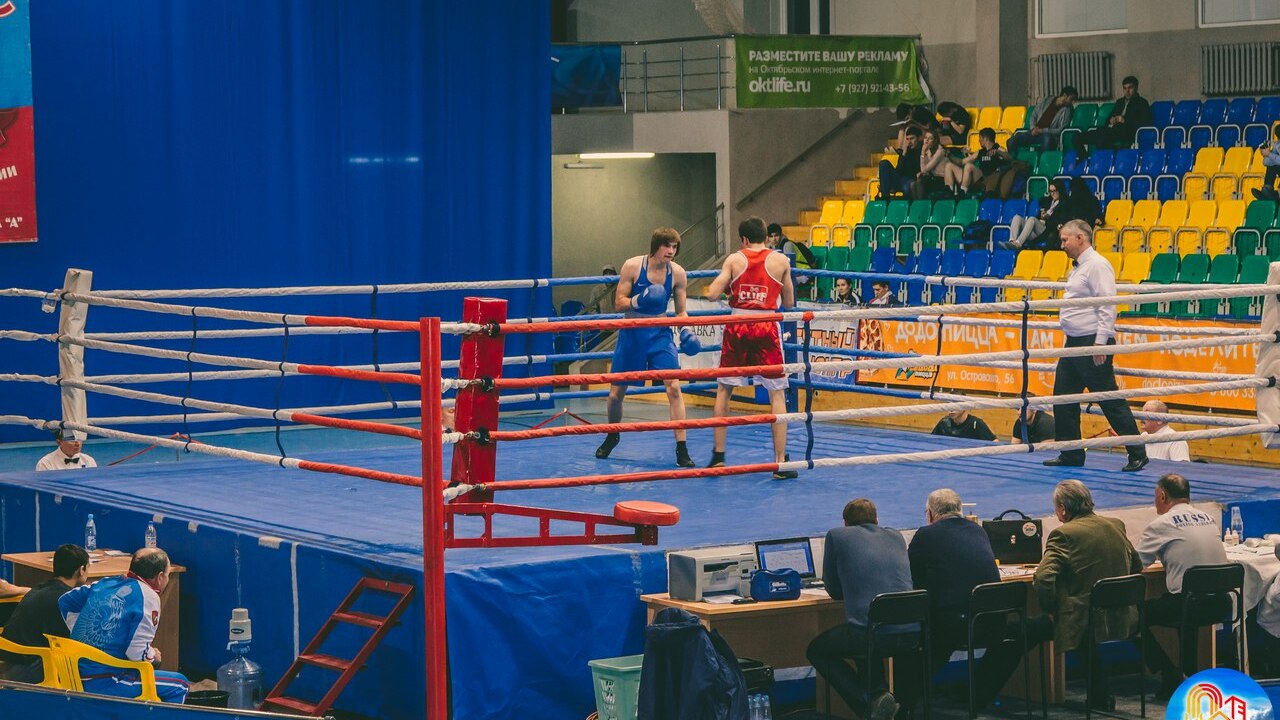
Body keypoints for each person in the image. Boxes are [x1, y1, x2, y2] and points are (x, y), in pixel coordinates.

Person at [905, 489, 1045, 712]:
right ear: (960, 510)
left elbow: (913, 579)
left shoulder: (925, 535)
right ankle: (975, 696)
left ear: (930, 514)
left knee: (919, 640)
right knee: (1016, 633)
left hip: (957, 625)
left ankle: (902, 702)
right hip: (992, 622)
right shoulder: (978, 531)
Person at [1043, 220, 1148, 472]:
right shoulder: (1080, 267)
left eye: (1065, 240)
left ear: (1080, 238)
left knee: (1108, 398)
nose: (1062, 245)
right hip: (1074, 342)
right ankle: (1071, 453)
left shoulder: (1098, 265)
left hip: (1092, 342)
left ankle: (1137, 452)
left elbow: (1107, 304)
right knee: (1063, 398)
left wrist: (1101, 342)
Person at [1033, 480, 1142, 710]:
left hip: (1083, 617)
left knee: (1022, 632)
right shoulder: (1116, 525)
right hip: (1121, 612)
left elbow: (1043, 578)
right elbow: (1136, 565)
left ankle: (981, 696)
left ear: (1063, 509)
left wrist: (1050, 609)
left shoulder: (1063, 534)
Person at [705, 217, 797, 479]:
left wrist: (733, 291)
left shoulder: (735, 259)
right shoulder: (781, 261)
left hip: (737, 325)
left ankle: (718, 456)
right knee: (777, 393)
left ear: (743, 239)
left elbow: (712, 294)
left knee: (724, 389)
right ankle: (780, 462)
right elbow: (789, 302)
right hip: (767, 326)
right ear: (766, 237)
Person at [595, 228, 695, 468]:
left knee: (674, 388)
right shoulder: (632, 266)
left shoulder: (678, 273)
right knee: (616, 394)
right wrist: (639, 300)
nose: (671, 251)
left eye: (675, 247)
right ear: (656, 246)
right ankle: (612, 434)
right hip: (632, 333)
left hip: (660, 334)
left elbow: (681, 311)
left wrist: (686, 330)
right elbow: (619, 303)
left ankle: (682, 448)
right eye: (667, 246)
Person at [806, 499, 914, 720]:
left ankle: (870, 703)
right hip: (911, 631)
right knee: (863, 639)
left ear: (845, 523)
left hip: (871, 634)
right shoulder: (895, 536)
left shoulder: (837, 536)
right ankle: (878, 697)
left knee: (817, 651)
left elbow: (834, 591)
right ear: (877, 520)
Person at [1134, 473, 1227, 698]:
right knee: (1185, 602)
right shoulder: (1209, 518)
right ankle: (1188, 674)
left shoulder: (1161, 524)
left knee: (1131, 615)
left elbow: (1135, 564)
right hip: (1221, 603)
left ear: (1162, 496)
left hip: (1189, 605)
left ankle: (1170, 674)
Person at [59, 548, 190, 703]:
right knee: (179, 684)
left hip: (71, 674)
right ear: (160, 577)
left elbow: (66, 600)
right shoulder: (148, 596)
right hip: (105, 681)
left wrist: (80, 634)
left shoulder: (104, 583)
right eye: (168, 574)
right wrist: (153, 655)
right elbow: (136, 653)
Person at [0, 544, 89, 683]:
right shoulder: (67, 600)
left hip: (7, 661)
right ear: (81, 570)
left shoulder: (38, 588)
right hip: (26, 668)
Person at [1071, 76, 1153, 158]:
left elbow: (1145, 123)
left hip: (1128, 132)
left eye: (1130, 88)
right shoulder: (1120, 102)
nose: (1127, 91)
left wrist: (1124, 120)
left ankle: (1115, 155)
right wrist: (1111, 120)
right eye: (1125, 88)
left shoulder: (1142, 103)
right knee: (1077, 137)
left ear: (1136, 88)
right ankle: (1084, 160)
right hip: (1113, 131)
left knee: (1102, 138)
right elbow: (1108, 119)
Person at [1007, 86, 1078, 154]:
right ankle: (1013, 160)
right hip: (1034, 132)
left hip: (1049, 135)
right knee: (1011, 141)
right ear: (1064, 95)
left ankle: (1043, 161)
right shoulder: (1046, 100)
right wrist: (1033, 128)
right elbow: (1033, 115)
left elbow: (1061, 130)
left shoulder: (1067, 110)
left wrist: (1042, 131)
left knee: (1046, 139)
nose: (1072, 102)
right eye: (1071, 99)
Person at [1003, 179, 1071, 251]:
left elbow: (1060, 222)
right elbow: (1038, 216)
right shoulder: (1048, 201)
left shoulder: (1064, 204)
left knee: (1032, 219)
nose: (1052, 193)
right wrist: (1041, 216)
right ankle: (1012, 242)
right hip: (1038, 229)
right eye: (1050, 191)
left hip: (1048, 231)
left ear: (1060, 190)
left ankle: (1018, 244)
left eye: (1054, 191)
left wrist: (1046, 221)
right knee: (1017, 218)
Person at [954, 128, 1010, 196]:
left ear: (986, 139)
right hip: (982, 179)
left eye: (980, 138)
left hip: (994, 180)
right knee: (967, 166)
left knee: (969, 166)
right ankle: (962, 192)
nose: (979, 140)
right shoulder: (980, 152)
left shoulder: (999, 149)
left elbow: (1008, 157)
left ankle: (963, 192)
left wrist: (998, 152)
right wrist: (949, 156)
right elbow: (962, 162)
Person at [878, 126, 922, 201]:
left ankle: (906, 205)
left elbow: (918, 169)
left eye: (912, 138)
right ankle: (885, 197)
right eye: (907, 139)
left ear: (919, 138)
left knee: (907, 186)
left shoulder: (923, 150)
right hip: (901, 178)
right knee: (884, 163)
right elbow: (899, 170)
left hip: (913, 179)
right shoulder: (906, 150)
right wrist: (903, 154)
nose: (909, 142)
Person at [767, 222, 814, 288]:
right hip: (793, 274)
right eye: (771, 236)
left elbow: (788, 265)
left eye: (776, 236)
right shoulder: (770, 247)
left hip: (805, 273)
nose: (774, 239)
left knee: (784, 284)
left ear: (781, 235)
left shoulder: (787, 245)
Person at [914, 129, 954, 199]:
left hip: (943, 179)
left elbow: (924, 169)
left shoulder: (940, 151)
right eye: (925, 137)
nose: (926, 140)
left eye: (930, 138)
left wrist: (922, 153)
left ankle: (922, 204)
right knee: (913, 185)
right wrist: (922, 173)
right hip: (933, 178)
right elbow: (924, 170)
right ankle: (917, 204)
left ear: (935, 141)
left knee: (920, 183)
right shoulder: (928, 151)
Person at [1252, 124, 1280, 202]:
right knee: (1272, 166)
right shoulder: (1277, 144)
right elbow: (1266, 163)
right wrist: (1267, 153)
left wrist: (1269, 154)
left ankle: (1275, 195)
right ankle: (1267, 191)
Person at [930, 409, 996, 440]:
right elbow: (931, 441)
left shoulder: (976, 423)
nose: (951, 410)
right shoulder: (944, 422)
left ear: (964, 406)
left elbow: (994, 442)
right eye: (949, 405)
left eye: (955, 406)